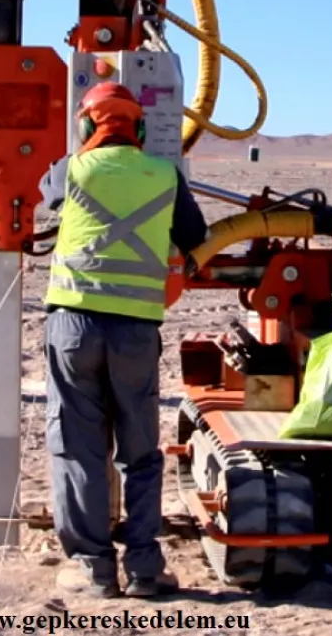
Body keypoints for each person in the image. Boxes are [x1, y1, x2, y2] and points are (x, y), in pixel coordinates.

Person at [38, 81, 209, 599]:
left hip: (74, 326)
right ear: (138, 128)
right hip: (136, 330)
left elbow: (46, 204)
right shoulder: (164, 174)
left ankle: (93, 568)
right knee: (140, 451)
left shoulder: (71, 169)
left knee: (78, 447)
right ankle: (144, 567)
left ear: (88, 125)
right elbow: (196, 237)